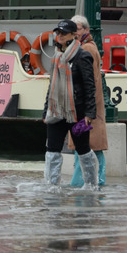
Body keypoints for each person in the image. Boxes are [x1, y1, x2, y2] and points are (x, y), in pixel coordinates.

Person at [42, 19, 98, 189]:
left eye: (63, 33)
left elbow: (90, 86)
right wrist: (45, 111)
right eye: (57, 33)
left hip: (78, 113)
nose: (59, 36)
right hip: (57, 112)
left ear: (73, 35)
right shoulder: (57, 56)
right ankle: (52, 185)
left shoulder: (83, 56)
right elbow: (51, 85)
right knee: (52, 149)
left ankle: (91, 184)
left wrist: (89, 114)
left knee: (83, 149)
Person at [70, 15, 108, 188]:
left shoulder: (86, 49)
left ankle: (81, 184)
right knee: (91, 147)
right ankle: (96, 182)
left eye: (77, 28)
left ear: (86, 29)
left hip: (87, 109)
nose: (74, 32)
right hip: (91, 107)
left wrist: (87, 109)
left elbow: (88, 81)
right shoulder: (89, 47)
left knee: (85, 147)